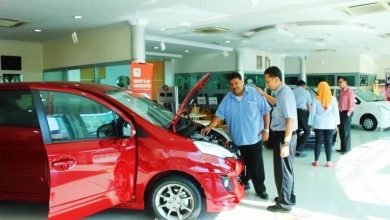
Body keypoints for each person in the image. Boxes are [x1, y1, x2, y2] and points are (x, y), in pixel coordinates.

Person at [201, 71, 271, 200]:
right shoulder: (227, 99)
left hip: (254, 136)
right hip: (237, 138)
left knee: (256, 165)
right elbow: (219, 115)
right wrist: (210, 126)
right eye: (231, 84)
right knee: (242, 163)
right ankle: (245, 182)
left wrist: (266, 129)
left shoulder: (255, 94)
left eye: (236, 83)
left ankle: (261, 189)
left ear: (242, 82)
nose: (234, 86)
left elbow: (266, 111)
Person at [257, 66, 297, 212]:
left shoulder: (285, 93)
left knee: (282, 170)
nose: (267, 84)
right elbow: (275, 102)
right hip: (283, 134)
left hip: (284, 135)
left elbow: (290, 119)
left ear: (276, 79)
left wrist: (285, 143)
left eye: (268, 81)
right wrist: (264, 94)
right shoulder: (280, 92)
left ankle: (284, 203)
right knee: (287, 168)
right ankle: (288, 196)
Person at [308, 81, 340, 167]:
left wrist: (311, 124)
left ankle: (316, 161)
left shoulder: (315, 99)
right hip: (330, 124)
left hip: (318, 124)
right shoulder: (333, 99)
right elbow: (335, 113)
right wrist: (336, 124)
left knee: (318, 142)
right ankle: (329, 162)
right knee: (328, 142)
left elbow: (312, 113)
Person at [292, 80, 312, 157]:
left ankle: (294, 149)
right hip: (302, 113)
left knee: (295, 131)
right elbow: (308, 104)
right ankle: (299, 149)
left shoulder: (292, 91)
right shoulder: (306, 92)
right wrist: (310, 115)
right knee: (307, 131)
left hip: (293, 112)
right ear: (304, 85)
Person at [337, 77, 355, 154]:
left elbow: (351, 103)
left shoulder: (349, 91)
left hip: (347, 112)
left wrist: (348, 114)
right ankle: (342, 148)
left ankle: (346, 149)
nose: (339, 84)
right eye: (338, 82)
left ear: (345, 82)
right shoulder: (341, 91)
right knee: (341, 131)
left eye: (340, 82)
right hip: (341, 112)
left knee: (346, 131)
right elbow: (340, 103)